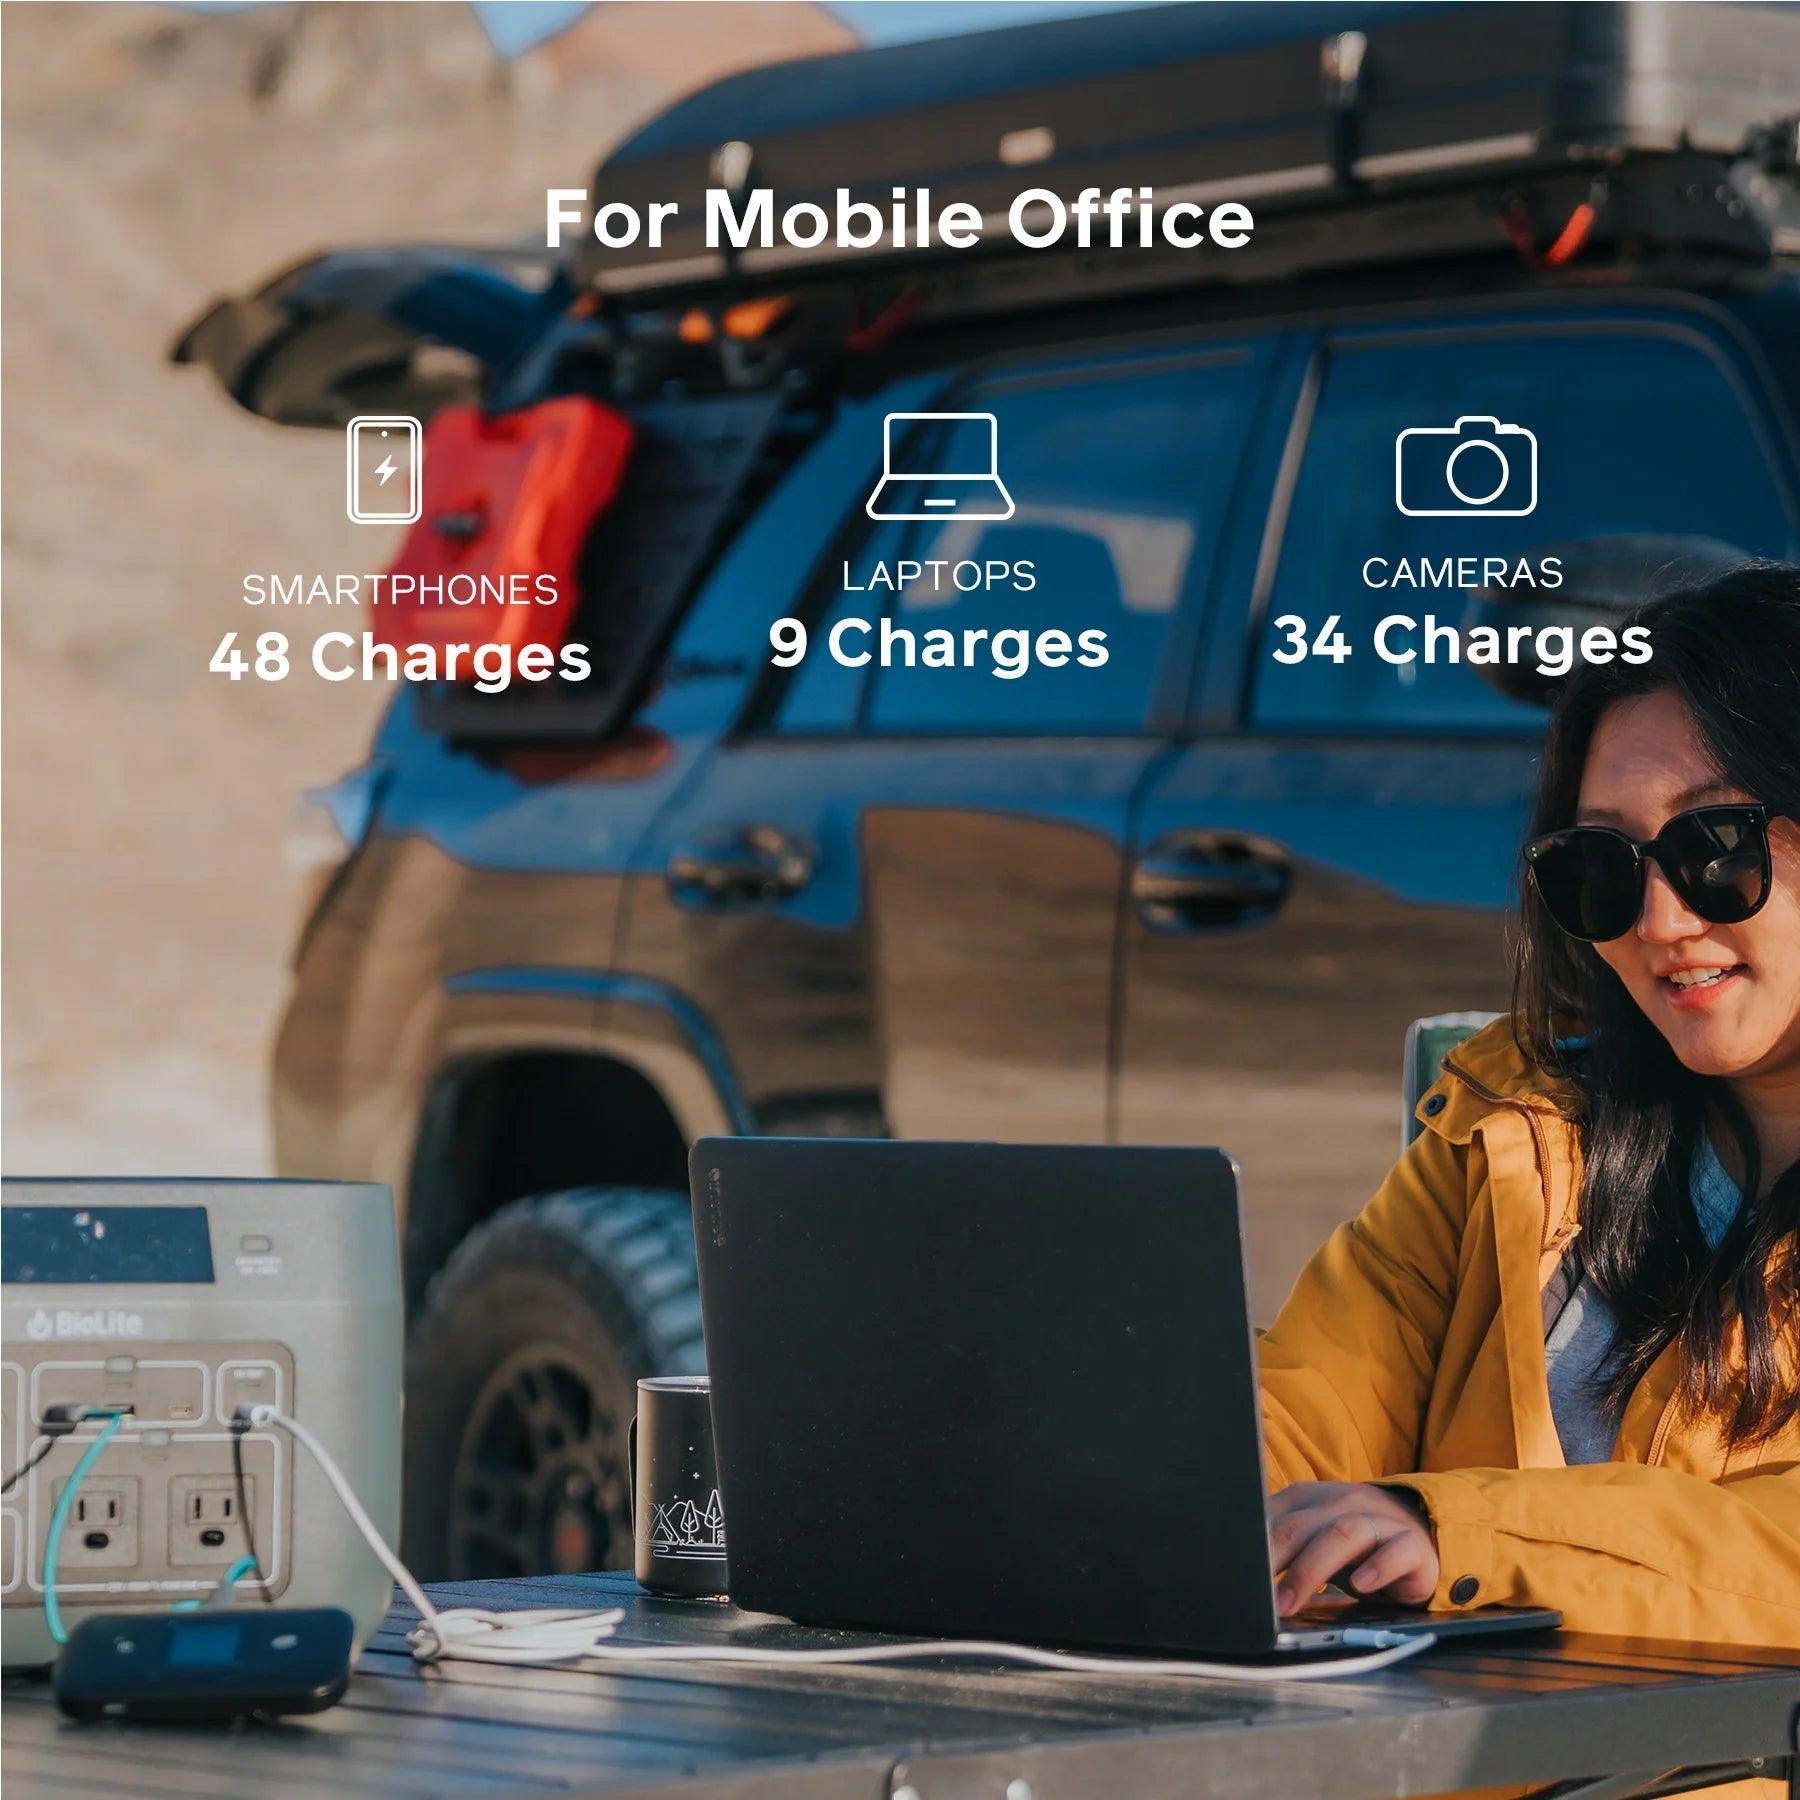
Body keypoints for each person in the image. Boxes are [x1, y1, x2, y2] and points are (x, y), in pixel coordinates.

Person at [1258, 566, 1800, 1681]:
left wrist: (1455, 1536)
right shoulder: (1514, 1127)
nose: (1659, 921)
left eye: (1716, 849)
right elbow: (1302, 1413)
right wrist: (1127, 1500)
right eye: (1601, 866)